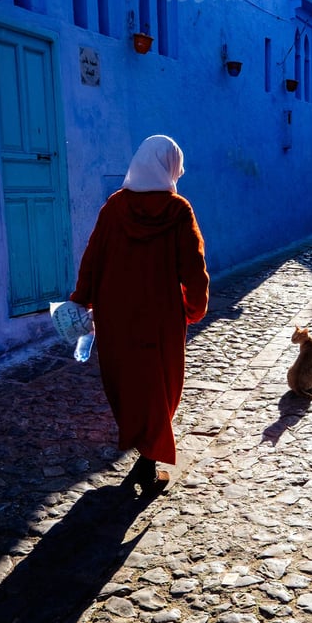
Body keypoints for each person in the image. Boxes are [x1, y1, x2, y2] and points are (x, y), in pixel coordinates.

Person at [71, 135, 209, 497]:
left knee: (128, 382)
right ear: (169, 166)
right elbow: (194, 269)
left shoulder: (114, 208)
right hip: (159, 315)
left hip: (115, 314)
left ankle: (145, 455)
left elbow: (92, 257)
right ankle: (148, 462)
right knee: (161, 385)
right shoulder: (178, 211)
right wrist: (195, 308)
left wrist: (82, 298)